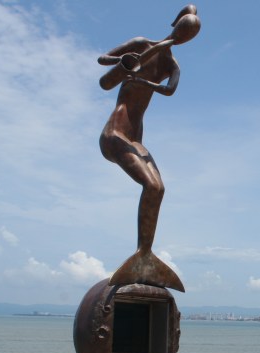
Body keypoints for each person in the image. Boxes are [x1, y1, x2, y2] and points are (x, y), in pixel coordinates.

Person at [98, 5, 200, 292]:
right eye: (183, 32)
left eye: (189, 37)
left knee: (157, 188)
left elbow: (170, 89)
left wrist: (143, 80)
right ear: (175, 27)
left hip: (136, 140)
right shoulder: (143, 44)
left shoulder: (172, 65)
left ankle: (145, 254)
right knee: (151, 186)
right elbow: (102, 61)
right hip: (115, 133)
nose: (183, 39)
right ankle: (142, 256)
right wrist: (126, 62)